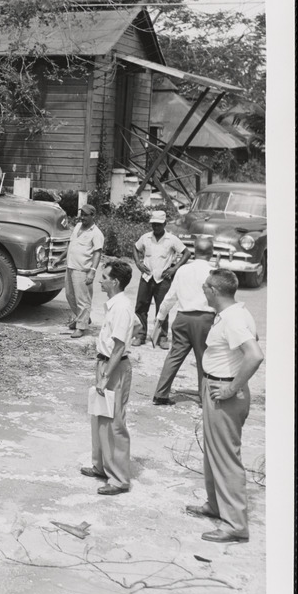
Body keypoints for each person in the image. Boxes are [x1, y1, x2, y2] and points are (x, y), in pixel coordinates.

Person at [187, 269, 264, 543]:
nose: (204, 291)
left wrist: (231, 388)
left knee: (226, 457)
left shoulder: (233, 318)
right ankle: (216, 505)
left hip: (226, 391)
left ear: (214, 291)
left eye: (206, 287)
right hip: (217, 387)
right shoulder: (231, 314)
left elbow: (254, 355)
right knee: (213, 452)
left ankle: (235, 525)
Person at [81, 260, 137, 496]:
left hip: (114, 367)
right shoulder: (114, 305)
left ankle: (119, 479)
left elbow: (119, 346)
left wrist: (105, 376)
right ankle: (102, 466)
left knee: (114, 423)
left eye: (104, 277)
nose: (100, 280)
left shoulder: (122, 307)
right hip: (104, 363)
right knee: (100, 417)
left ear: (114, 282)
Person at [150, 235, 216, 405]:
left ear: (194, 251)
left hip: (182, 318)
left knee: (174, 356)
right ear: (212, 252)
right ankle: (205, 398)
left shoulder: (183, 270)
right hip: (205, 319)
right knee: (204, 359)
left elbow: (170, 297)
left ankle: (160, 394)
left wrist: (159, 318)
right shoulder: (214, 271)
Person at [131, 210, 190, 348]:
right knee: (141, 307)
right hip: (146, 277)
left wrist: (174, 269)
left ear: (164, 224)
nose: (155, 227)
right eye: (153, 224)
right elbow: (135, 247)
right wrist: (138, 263)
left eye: (158, 224)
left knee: (162, 308)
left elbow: (186, 253)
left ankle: (162, 337)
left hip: (163, 279)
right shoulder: (145, 237)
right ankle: (140, 335)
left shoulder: (172, 239)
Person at [62, 204, 105, 339]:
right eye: (82, 214)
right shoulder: (77, 227)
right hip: (70, 267)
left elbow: (98, 253)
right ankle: (83, 319)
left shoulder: (96, 233)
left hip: (83, 270)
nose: (83, 217)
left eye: (86, 215)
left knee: (83, 299)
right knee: (69, 295)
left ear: (93, 216)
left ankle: (81, 326)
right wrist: (60, 258)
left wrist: (92, 272)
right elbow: (71, 245)